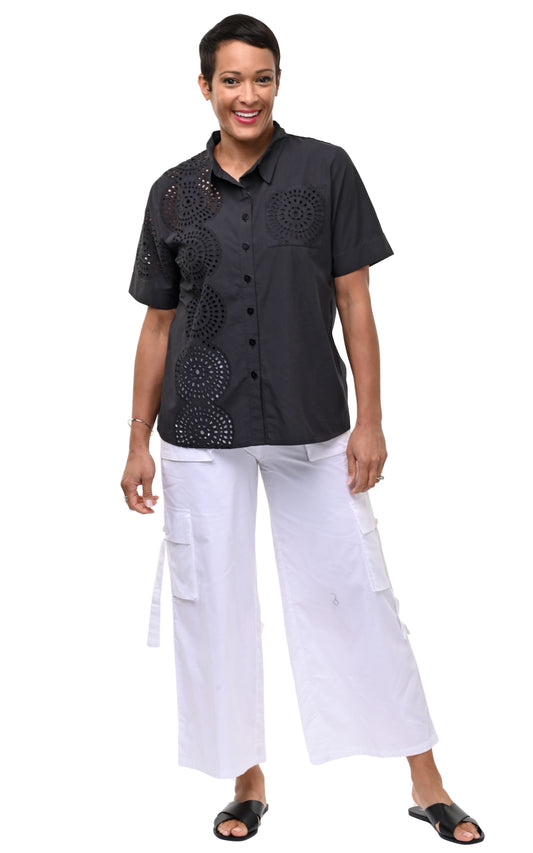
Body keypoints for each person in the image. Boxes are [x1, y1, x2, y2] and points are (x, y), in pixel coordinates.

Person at [121, 13, 484, 845]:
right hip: (200, 428)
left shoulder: (325, 170)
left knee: (356, 592)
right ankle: (246, 777)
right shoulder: (172, 193)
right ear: (205, 86)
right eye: (231, 80)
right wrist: (137, 438)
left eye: (262, 78)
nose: (247, 95)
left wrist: (371, 419)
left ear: (278, 82)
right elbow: (157, 323)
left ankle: (425, 779)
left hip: (312, 419)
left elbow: (355, 298)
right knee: (214, 604)